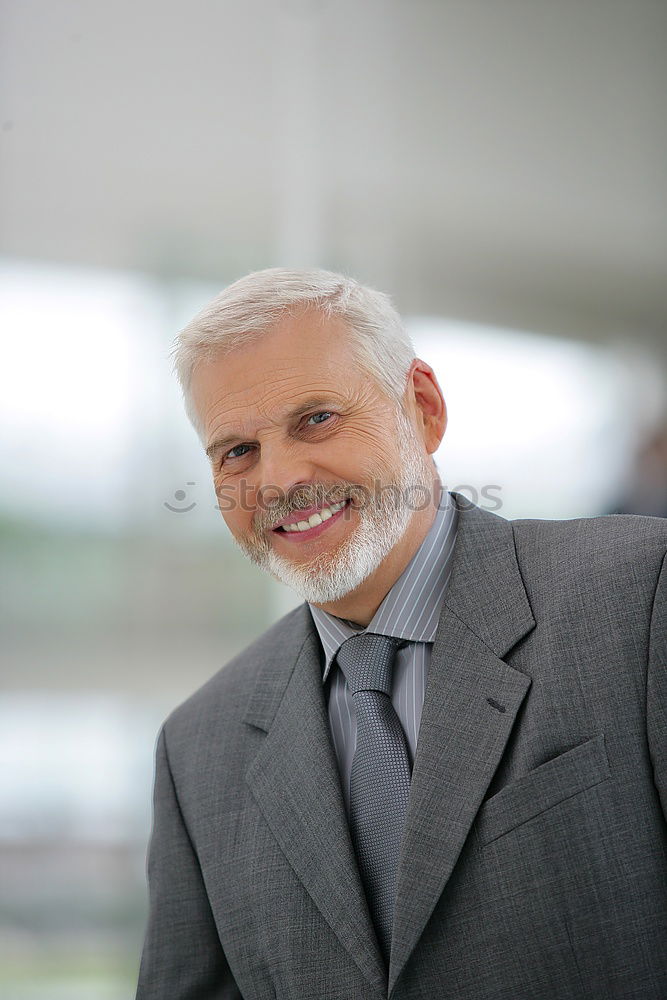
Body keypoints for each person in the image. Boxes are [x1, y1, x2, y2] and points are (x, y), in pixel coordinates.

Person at [135, 268, 667, 1000]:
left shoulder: (637, 596)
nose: (281, 478)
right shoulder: (199, 748)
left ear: (421, 406)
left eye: (316, 417)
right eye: (237, 452)